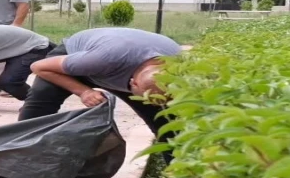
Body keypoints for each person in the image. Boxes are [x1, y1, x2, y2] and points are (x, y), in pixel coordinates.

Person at [17, 27, 182, 138]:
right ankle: (19, 155)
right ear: (132, 84)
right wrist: (84, 91)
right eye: (142, 97)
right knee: (41, 99)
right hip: (79, 55)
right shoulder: (101, 59)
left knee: (168, 124)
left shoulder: (178, 66)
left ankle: (181, 176)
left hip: (123, 58)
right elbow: (38, 67)